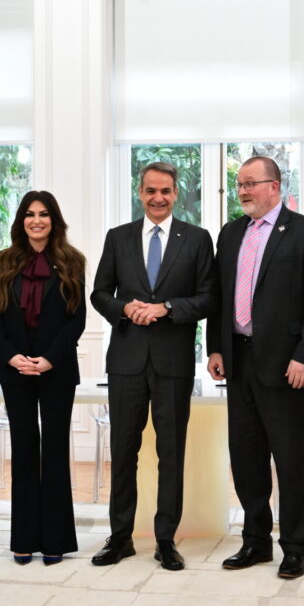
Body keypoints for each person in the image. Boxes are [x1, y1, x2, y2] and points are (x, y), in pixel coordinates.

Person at [207, 156, 304, 580]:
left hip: (287, 366)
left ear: (274, 186)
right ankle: (256, 541)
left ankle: (294, 547)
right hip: (238, 362)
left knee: (289, 461)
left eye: (250, 183)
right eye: (239, 184)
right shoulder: (230, 233)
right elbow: (219, 296)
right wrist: (215, 347)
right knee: (246, 459)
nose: (243, 191)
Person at [90, 161, 216, 571]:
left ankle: (166, 539)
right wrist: (125, 308)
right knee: (123, 451)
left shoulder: (197, 239)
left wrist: (167, 308)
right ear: (139, 192)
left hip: (173, 362)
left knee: (171, 452)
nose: (157, 198)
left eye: (165, 191)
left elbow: (208, 298)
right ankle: (120, 537)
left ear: (176, 193)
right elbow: (99, 294)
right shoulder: (118, 237)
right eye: (150, 190)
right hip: (126, 361)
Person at [0, 191, 86, 566]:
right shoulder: (3, 261)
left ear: (53, 220)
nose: (37, 221)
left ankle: (56, 539)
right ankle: (24, 539)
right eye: (30, 214)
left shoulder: (72, 261)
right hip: (15, 370)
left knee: (55, 452)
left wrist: (48, 360)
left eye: (44, 214)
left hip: (56, 370)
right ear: (21, 221)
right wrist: (11, 356)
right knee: (24, 451)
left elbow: (76, 320)